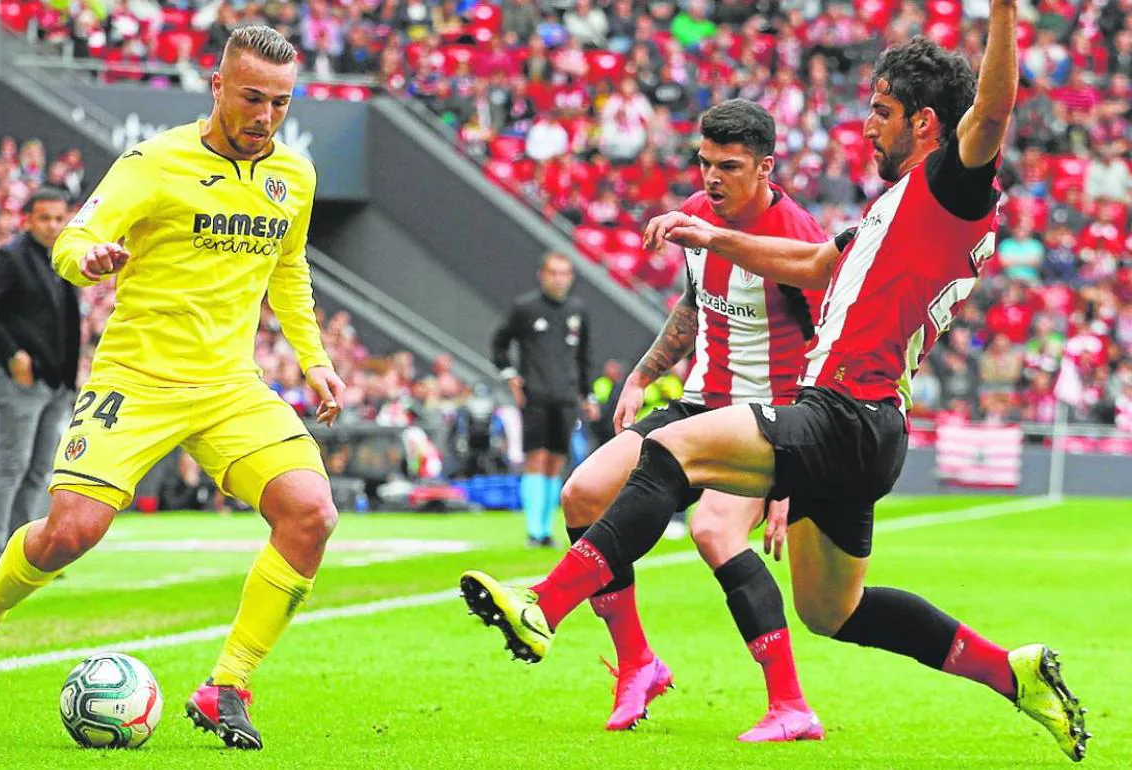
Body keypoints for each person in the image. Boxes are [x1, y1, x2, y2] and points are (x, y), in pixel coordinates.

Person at [461, 8, 1089, 761]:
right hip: (867, 425)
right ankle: (1010, 674)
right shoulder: (896, 209)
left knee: (674, 450)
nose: (865, 129)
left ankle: (545, 605)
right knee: (834, 611)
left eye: (881, 114)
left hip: (845, 411)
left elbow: (992, 109)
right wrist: (715, 237)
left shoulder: (951, 187)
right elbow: (818, 265)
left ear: (927, 124)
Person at [0, 27, 345, 752]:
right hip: (137, 380)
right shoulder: (153, 161)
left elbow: (288, 270)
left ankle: (227, 685)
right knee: (69, 534)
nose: (265, 115)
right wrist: (95, 259)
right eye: (251, 98)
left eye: (279, 102)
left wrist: (315, 358)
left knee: (311, 513)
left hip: (230, 385)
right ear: (217, 86)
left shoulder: (292, 176)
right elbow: (70, 243)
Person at [555, 99, 829, 737]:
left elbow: (828, 349)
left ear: (766, 167)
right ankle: (637, 665)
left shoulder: (797, 236)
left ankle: (790, 704)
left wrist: (795, 470)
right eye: (704, 163)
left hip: (768, 418)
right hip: (699, 403)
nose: (711, 178)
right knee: (583, 495)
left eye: (728, 167)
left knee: (713, 530)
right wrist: (646, 373)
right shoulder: (696, 218)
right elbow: (693, 303)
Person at [0, 186, 80, 580]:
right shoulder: (11, 257)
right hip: (22, 381)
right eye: (44, 218)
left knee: (40, 471)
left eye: (58, 217)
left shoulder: (60, 260)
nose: (52, 225)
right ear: (27, 219)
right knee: (12, 465)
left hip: (56, 382)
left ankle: (31, 553)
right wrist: (11, 352)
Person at [491, 252, 596, 547]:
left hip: (565, 396)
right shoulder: (525, 308)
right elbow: (499, 343)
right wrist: (510, 374)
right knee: (536, 456)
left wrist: (586, 394)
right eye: (554, 273)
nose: (559, 279)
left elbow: (585, 356)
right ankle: (533, 529)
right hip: (535, 395)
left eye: (565, 273)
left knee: (556, 460)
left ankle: (547, 528)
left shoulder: (577, 311)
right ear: (542, 275)